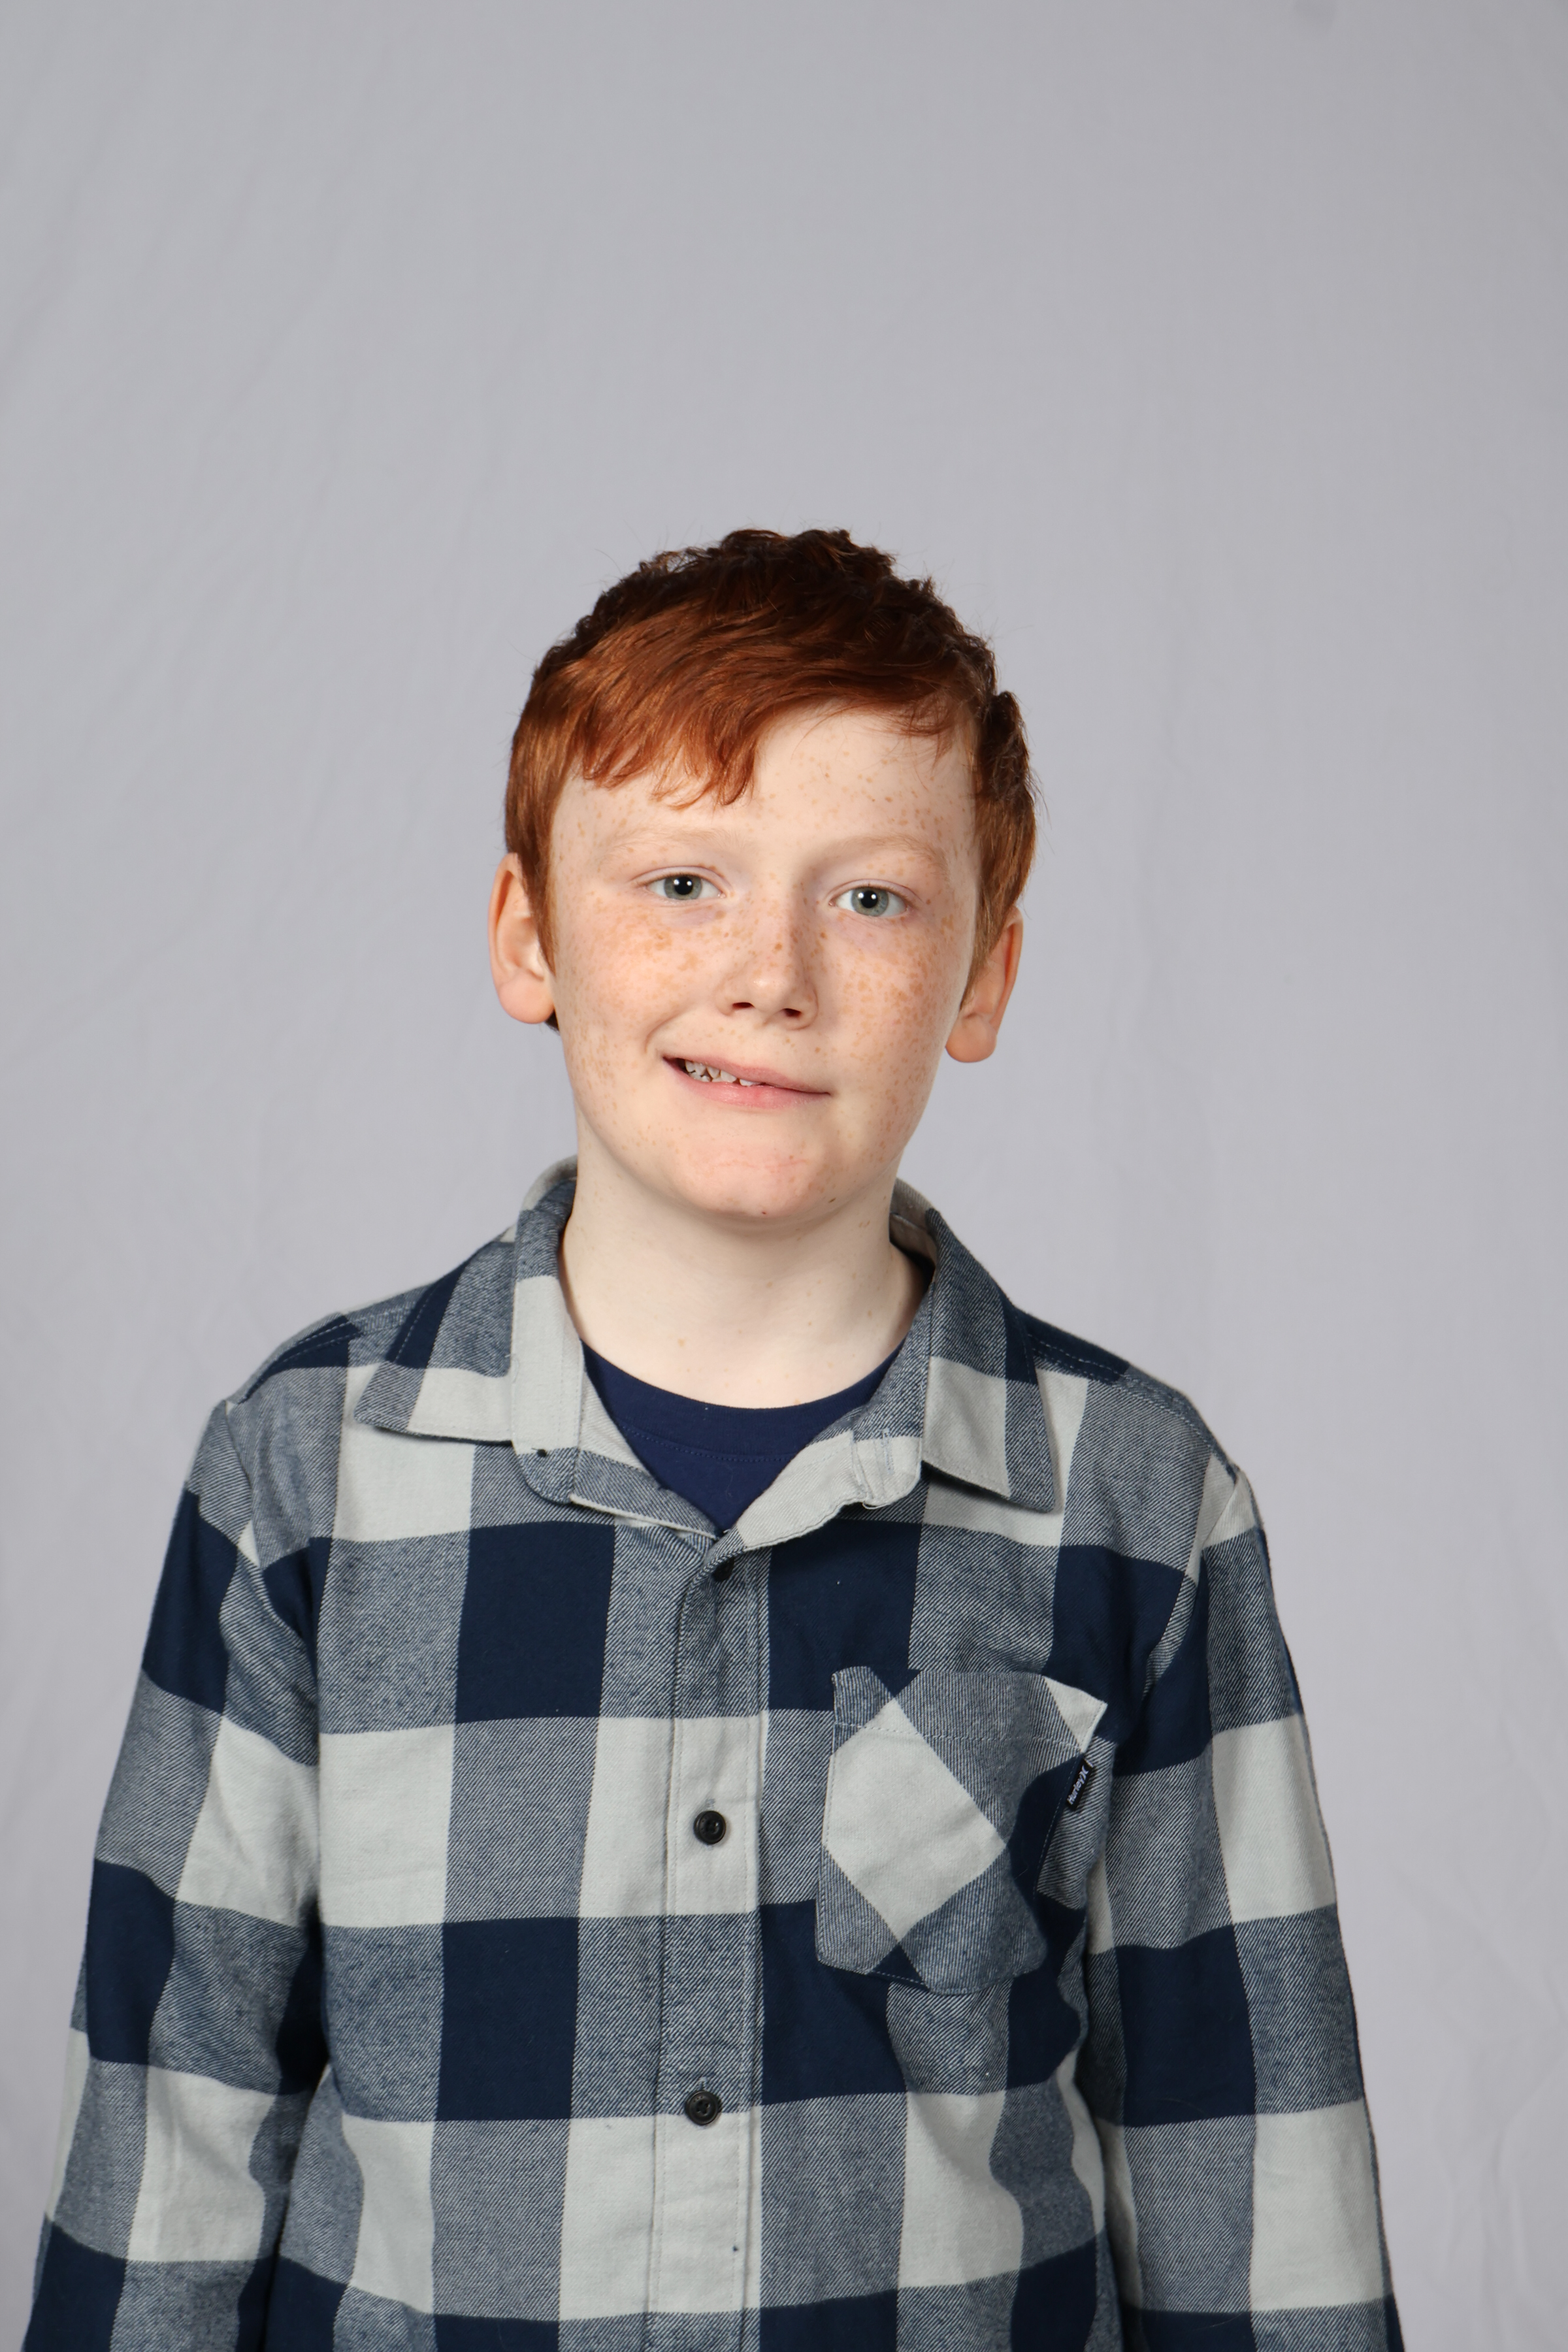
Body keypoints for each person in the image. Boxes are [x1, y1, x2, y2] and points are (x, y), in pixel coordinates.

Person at [25, 528, 1401, 2352]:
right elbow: (173, 2132)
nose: (772, 973)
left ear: (982, 977)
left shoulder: (1140, 1505)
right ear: (529, 935)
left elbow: (1254, 2180)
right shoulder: (306, 1475)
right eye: (684, 879)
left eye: (874, 899)